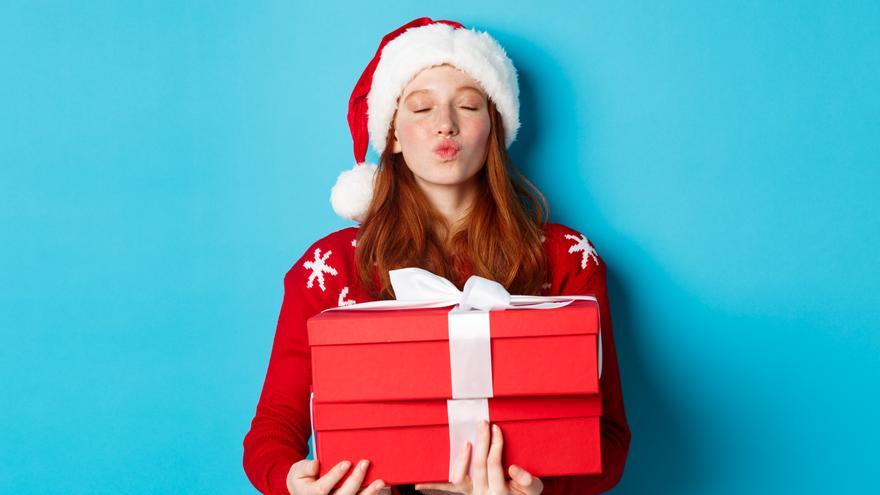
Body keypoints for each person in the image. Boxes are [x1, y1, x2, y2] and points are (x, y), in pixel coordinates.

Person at [242, 17, 631, 495]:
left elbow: (608, 440)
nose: (445, 123)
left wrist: (540, 490)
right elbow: (272, 432)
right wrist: (291, 482)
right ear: (393, 135)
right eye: (422, 107)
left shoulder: (565, 257)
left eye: (468, 105)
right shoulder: (330, 269)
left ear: (495, 127)